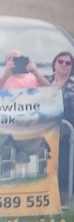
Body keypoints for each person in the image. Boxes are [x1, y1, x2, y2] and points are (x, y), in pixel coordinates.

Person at [43, 51, 74, 208]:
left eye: (68, 63)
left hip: (66, 136)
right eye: (60, 61)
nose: (63, 65)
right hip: (44, 134)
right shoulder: (44, 80)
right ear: (54, 63)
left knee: (63, 172)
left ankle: (62, 206)